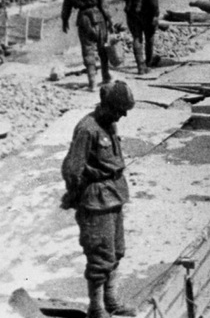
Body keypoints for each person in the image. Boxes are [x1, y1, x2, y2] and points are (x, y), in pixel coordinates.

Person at [61, 81, 137, 318]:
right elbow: (72, 169)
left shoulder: (109, 124)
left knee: (116, 251)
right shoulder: (88, 129)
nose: (120, 117)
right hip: (95, 201)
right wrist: (76, 196)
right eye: (118, 111)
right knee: (99, 255)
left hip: (114, 196)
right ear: (106, 106)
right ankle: (96, 309)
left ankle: (111, 301)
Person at [62, 0, 113, 91]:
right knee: (102, 49)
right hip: (99, 17)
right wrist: (110, 20)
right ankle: (106, 76)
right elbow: (104, 5)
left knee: (87, 50)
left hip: (83, 19)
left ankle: (92, 82)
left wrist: (64, 20)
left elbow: (66, 6)